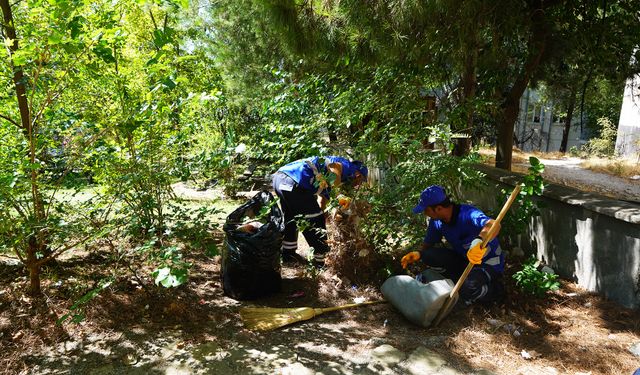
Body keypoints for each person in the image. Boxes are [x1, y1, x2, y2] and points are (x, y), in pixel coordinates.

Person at [401, 185, 505, 305]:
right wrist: (419, 254)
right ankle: (459, 282)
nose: (425, 213)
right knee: (428, 255)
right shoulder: (437, 222)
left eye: (427, 210)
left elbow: (493, 225)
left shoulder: (467, 213)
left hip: (489, 263)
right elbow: (428, 244)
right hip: (464, 259)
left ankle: (495, 291)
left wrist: (479, 240)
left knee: (466, 289)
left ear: (438, 208)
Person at [272, 156, 368, 267]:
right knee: (314, 220)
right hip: (294, 181)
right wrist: (338, 198)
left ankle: (288, 255)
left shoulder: (333, 177)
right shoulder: (347, 167)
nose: (357, 185)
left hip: (281, 179)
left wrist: (323, 213)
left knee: (291, 218)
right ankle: (321, 261)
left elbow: (323, 199)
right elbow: (335, 168)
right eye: (360, 181)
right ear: (358, 175)